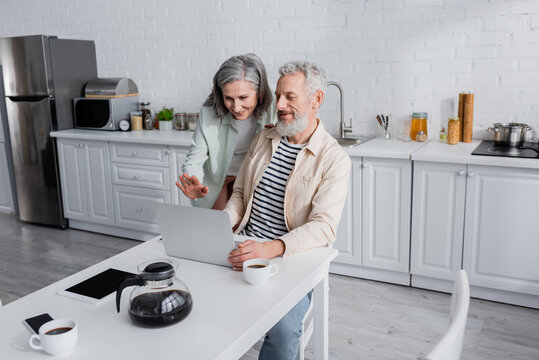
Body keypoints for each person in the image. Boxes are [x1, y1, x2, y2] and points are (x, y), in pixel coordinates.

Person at [225, 60, 351, 360]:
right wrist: (221, 224)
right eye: (278, 95)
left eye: (289, 97)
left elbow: (323, 227)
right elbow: (241, 193)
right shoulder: (264, 138)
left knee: (283, 332)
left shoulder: (334, 159)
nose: (279, 104)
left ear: (316, 99)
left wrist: (270, 248)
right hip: (245, 246)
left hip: (292, 260)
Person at [176, 53, 276, 210]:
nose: (236, 107)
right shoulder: (209, 112)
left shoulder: (276, 109)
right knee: (216, 229)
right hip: (219, 182)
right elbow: (195, 158)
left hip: (256, 183)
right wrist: (193, 181)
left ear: (260, 92)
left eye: (243, 97)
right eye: (228, 98)